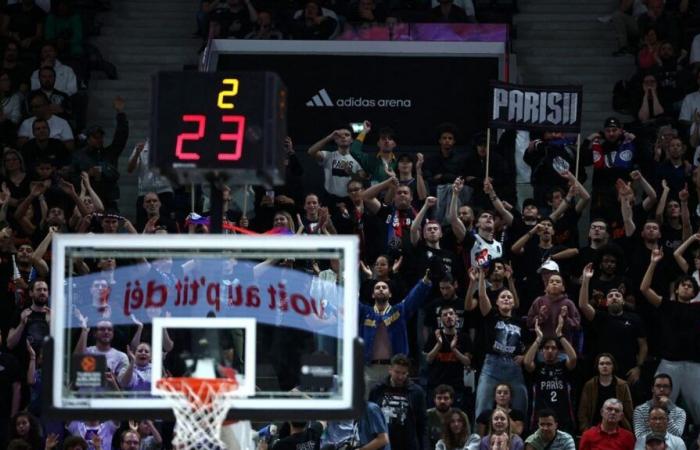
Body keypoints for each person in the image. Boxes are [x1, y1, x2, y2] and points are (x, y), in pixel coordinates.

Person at [640, 248, 700, 424]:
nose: (686, 287)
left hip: (695, 364)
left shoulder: (698, 309)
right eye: (683, 284)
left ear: (695, 292)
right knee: (659, 404)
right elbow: (644, 288)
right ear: (677, 288)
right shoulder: (667, 305)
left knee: (698, 405)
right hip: (669, 363)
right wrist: (653, 262)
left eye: (690, 286)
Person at [360, 270, 431, 386]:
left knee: (392, 402)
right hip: (368, 369)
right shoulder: (364, 312)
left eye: (384, 287)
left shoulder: (399, 311)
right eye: (377, 288)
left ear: (390, 294)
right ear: (372, 294)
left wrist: (425, 280)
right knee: (366, 403)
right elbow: (348, 301)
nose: (381, 289)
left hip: (394, 369)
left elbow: (414, 298)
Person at [475, 269, 528, 419]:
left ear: (513, 303)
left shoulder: (520, 322)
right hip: (492, 366)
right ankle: (479, 441)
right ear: (496, 302)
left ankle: (519, 441)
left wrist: (524, 356)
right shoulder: (491, 316)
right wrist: (482, 278)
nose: (506, 299)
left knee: (521, 405)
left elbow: (530, 343)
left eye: (509, 297)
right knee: (482, 407)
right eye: (502, 297)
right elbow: (481, 295)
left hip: (514, 367)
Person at [71, 96, 128, 210]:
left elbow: (121, 137)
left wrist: (120, 113)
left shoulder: (109, 153)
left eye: (101, 137)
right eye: (95, 137)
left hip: (109, 201)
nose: (99, 140)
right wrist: (88, 174)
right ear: (88, 139)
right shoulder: (78, 156)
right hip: (88, 201)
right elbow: (72, 178)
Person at [523, 317, 577, 433]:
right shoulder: (538, 367)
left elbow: (573, 358)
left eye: (553, 348)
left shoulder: (563, 366)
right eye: (546, 348)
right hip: (540, 419)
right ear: (542, 351)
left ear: (558, 351)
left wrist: (560, 335)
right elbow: (527, 362)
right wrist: (538, 339)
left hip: (563, 417)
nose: (550, 350)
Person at [368, 353, 427, 450]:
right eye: (397, 372)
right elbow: (370, 420)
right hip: (383, 443)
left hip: (407, 443)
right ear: (390, 369)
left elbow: (422, 424)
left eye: (403, 373)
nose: (400, 376)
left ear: (408, 373)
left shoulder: (416, 392)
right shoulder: (377, 390)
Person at [578, 353, 635, 433]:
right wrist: (585, 430)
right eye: (601, 364)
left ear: (613, 366)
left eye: (608, 363)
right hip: (595, 428)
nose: (605, 366)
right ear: (597, 367)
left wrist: (629, 429)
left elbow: (629, 410)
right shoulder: (589, 385)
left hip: (619, 428)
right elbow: (582, 411)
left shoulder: (622, 385)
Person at [633, 374, 687, 438]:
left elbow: (677, 435)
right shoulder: (640, 410)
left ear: (670, 390)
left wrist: (664, 411)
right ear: (652, 389)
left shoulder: (680, 412)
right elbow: (640, 436)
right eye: (658, 386)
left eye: (666, 386)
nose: (661, 389)